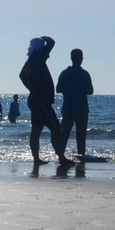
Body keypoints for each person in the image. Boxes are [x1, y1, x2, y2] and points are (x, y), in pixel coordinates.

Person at [18, 36, 72, 166]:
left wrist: (31, 88)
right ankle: (61, 158)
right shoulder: (38, 56)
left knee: (36, 130)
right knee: (56, 128)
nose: (48, 55)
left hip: (36, 99)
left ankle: (37, 159)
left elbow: (21, 75)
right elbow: (52, 42)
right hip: (41, 101)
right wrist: (45, 38)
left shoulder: (31, 60)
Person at [56, 48, 94, 158]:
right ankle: (81, 155)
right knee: (81, 135)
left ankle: (61, 155)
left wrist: (68, 89)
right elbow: (90, 91)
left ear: (71, 58)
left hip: (68, 108)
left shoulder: (64, 73)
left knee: (64, 134)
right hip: (82, 108)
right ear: (81, 59)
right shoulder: (84, 74)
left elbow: (58, 89)